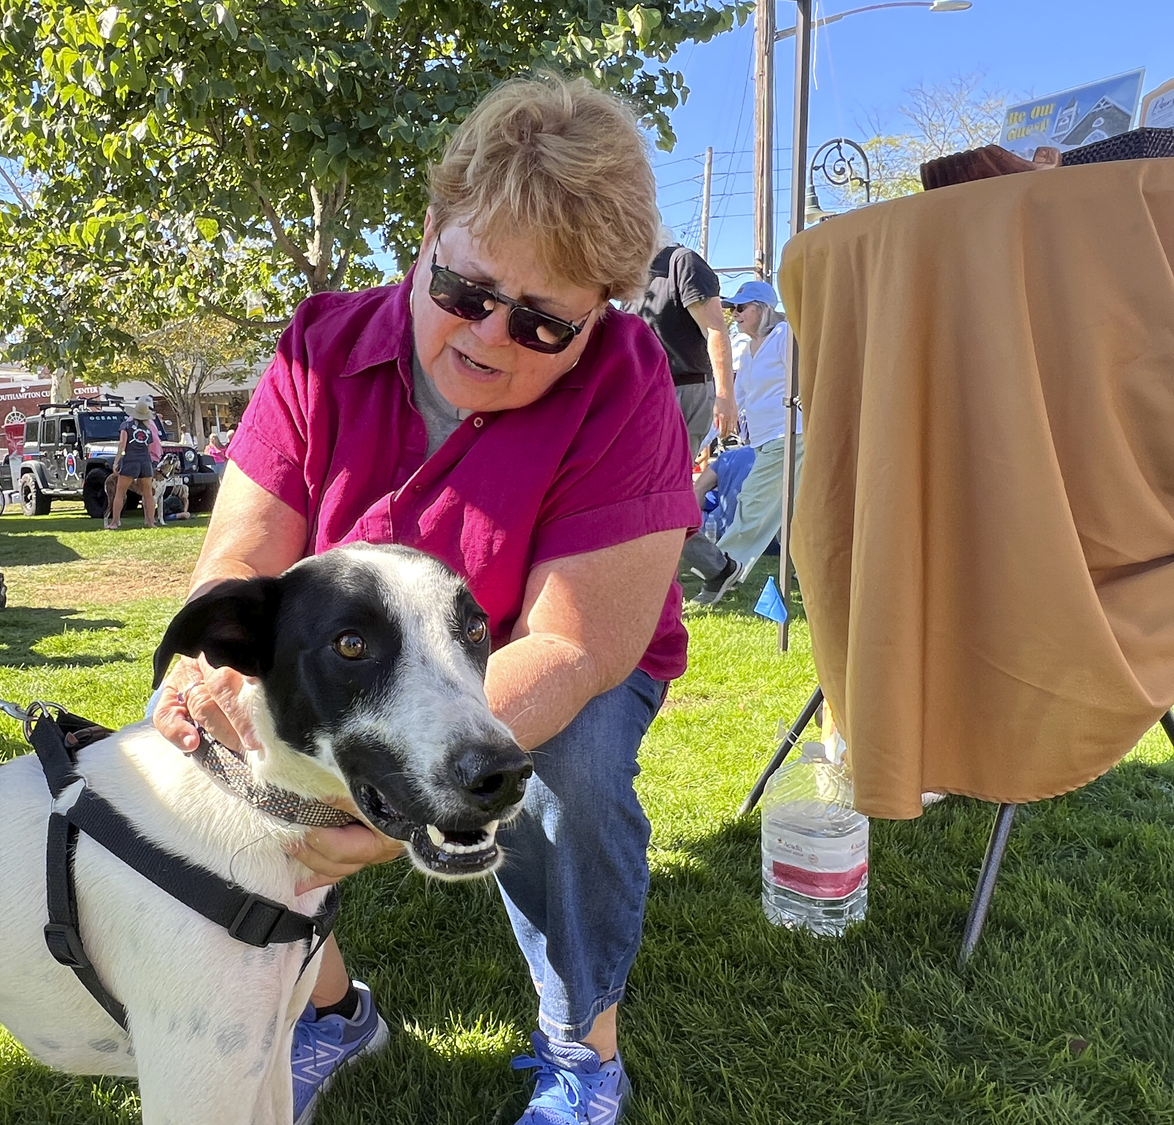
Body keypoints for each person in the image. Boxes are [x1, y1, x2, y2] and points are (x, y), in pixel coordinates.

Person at [151, 74, 699, 1125]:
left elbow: (576, 647)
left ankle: (584, 1048)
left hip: (539, 658)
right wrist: (208, 675)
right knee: (218, 746)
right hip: (362, 653)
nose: (492, 338)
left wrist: (398, 775)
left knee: (568, 773)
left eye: (544, 326)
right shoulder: (320, 346)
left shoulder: (627, 383)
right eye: (466, 292)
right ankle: (326, 1008)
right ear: (430, 230)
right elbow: (244, 554)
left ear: (603, 318)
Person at [689, 280, 804, 607]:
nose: (733, 314)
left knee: (752, 505)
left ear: (763, 309)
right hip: (767, 440)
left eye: (741, 307)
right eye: (731, 308)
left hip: (791, 435)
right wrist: (708, 439)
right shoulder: (744, 347)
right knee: (794, 515)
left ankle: (719, 574)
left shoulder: (785, 338)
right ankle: (819, 575)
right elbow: (734, 403)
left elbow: (808, 380)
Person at [635, 237, 737, 447]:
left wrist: (725, 396)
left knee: (666, 477)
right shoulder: (635, 278)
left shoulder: (683, 263)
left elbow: (715, 330)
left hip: (684, 391)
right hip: (645, 396)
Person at [681, 441, 758, 583]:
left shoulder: (729, 456)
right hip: (767, 536)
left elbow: (698, 490)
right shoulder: (779, 456)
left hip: (724, 530)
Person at [106, 396, 162, 530]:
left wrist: (116, 462)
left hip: (130, 460)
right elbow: (148, 449)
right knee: (148, 493)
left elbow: (122, 445)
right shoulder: (148, 430)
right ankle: (151, 522)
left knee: (120, 492)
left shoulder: (126, 426)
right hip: (145, 462)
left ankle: (114, 522)